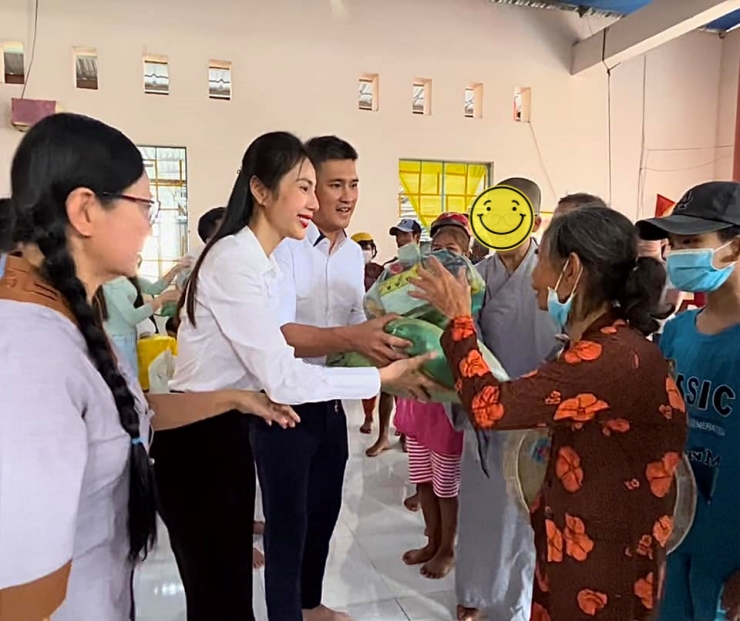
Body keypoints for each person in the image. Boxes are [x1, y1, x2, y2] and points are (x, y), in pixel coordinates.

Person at [0, 113, 301, 621]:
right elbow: (21, 593)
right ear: (85, 210)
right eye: (144, 205)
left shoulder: (69, 315)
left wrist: (234, 398)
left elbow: (128, 412)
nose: (150, 224)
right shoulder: (28, 356)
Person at [153, 131, 433, 621]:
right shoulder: (235, 261)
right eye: (306, 187)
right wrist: (381, 379)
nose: (316, 201)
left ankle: (305, 605)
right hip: (202, 437)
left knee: (231, 591)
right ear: (261, 190)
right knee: (223, 596)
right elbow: (282, 373)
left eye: (318, 188)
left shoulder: (257, 261)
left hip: (231, 424)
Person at [412, 205, 688, 621]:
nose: (534, 278)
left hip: (602, 563)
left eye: (541, 259)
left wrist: (459, 320)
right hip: (572, 537)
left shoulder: (610, 358)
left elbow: (490, 407)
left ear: (572, 270)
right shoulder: (596, 344)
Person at [264, 135, 435, 621]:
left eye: (353, 184)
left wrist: (397, 341)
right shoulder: (283, 248)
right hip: (281, 405)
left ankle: (309, 604)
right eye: (334, 184)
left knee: (323, 513)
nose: (347, 197)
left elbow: (358, 323)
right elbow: (278, 336)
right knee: (287, 526)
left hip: (332, 399)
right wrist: (355, 337)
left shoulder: (349, 254)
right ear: (307, 188)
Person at [452, 177, 559, 621]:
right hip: (483, 413)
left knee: (523, 518)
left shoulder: (553, 278)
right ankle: (475, 593)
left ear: (533, 222)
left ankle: (517, 603)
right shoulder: (475, 276)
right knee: (480, 509)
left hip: (535, 416)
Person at [637, 181, 740, 621]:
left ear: (735, 248)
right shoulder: (678, 333)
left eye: (692, 242)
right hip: (677, 532)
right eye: (674, 244)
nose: (677, 254)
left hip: (731, 552)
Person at [395, 212, 468, 580]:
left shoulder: (470, 295)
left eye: (452, 249)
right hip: (417, 397)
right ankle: (431, 539)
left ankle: (447, 548)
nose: (442, 256)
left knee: (445, 486)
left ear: (467, 254)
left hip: (446, 405)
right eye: (436, 248)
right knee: (422, 478)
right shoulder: (416, 287)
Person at [367, 217, 423, 458]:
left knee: (412, 387)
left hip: (418, 334)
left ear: (417, 237)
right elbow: (375, 299)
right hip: (392, 332)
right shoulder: (391, 269)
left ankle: (407, 434)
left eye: (405, 235)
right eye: (398, 235)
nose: (401, 240)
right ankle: (383, 437)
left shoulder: (427, 265)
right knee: (387, 386)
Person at [94, 263, 184, 372]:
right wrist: (160, 300)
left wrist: (175, 270)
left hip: (129, 336)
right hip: (117, 339)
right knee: (126, 374)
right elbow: (132, 317)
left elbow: (154, 288)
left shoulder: (127, 277)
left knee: (131, 374)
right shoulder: (110, 284)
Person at [351, 231, 387, 434]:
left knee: (392, 379)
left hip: (383, 326)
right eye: (360, 247)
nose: (365, 250)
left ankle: (399, 424)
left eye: (368, 246)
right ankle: (368, 416)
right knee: (367, 375)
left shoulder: (381, 271)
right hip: (360, 329)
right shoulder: (346, 271)